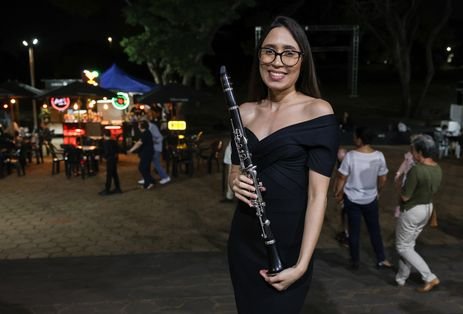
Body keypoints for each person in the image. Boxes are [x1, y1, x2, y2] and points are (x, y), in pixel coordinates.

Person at [227, 16, 339, 314]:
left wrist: (302, 265)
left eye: (289, 52)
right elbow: (235, 170)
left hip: (288, 246)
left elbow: (318, 197)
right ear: (259, 56)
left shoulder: (318, 111)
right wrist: (234, 181)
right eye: (269, 51)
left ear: (302, 59)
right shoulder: (243, 112)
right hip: (244, 240)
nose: (277, 61)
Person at [335, 126, 392, 270]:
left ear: (359, 139)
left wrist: (338, 192)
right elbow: (383, 178)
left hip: (352, 199)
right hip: (371, 199)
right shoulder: (379, 155)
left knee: (354, 231)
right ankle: (381, 259)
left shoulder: (351, 156)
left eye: (355, 136)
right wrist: (378, 191)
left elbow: (342, 176)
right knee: (374, 230)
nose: (353, 139)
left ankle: (355, 261)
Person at [395, 134, 442, 292]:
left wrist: (399, 188)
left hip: (413, 210)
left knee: (402, 247)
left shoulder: (417, 170)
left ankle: (429, 276)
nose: (412, 153)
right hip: (427, 208)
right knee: (409, 245)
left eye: (413, 151)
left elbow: (405, 196)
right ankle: (401, 277)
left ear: (420, 152)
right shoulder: (437, 168)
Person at [128, 120, 156, 190]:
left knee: (142, 168)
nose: (138, 126)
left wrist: (131, 150)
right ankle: (151, 181)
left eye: (139, 125)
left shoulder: (145, 133)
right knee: (146, 168)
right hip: (148, 153)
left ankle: (148, 183)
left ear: (141, 126)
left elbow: (139, 143)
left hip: (147, 153)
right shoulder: (146, 132)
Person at [333, 147, 349, 247]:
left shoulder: (347, 166)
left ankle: (347, 236)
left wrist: (338, 194)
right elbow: (338, 178)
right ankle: (345, 232)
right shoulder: (341, 165)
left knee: (347, 215)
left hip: (347, 195)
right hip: (344, 194)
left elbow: (342, 180)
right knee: (344, 214)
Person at [99, 129, 121, 196]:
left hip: (110, 160)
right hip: (114, 159)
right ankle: (117, 188)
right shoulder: (113, 141)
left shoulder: (106, 143)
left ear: (104, 135)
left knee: (109, 175)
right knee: (114, 174)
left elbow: (107, 152)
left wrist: (104, 157)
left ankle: (107, 189)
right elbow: (118, 149)